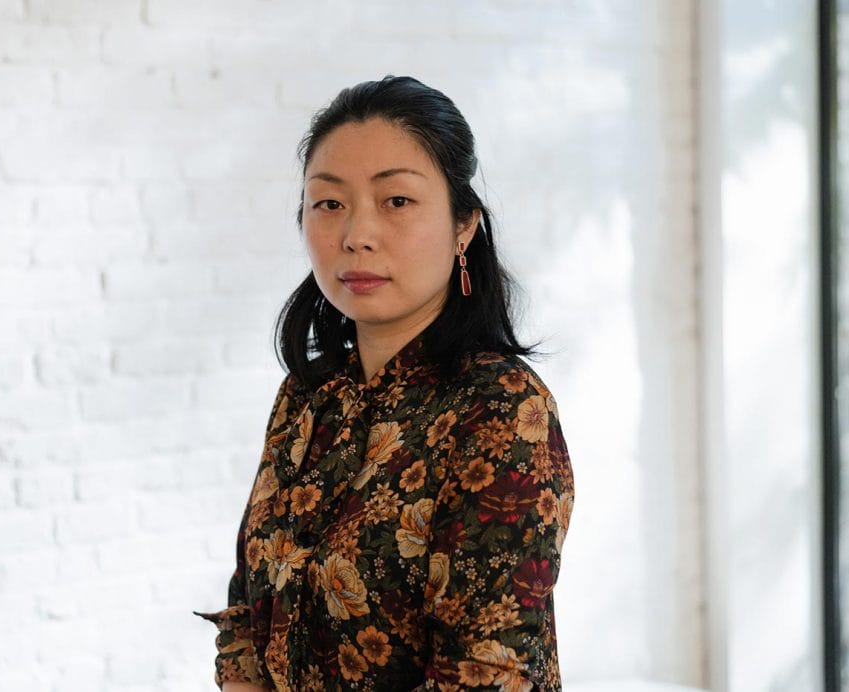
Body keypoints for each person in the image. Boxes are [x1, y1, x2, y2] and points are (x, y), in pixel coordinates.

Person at [194, 75, 574, 691]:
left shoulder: (502, 408)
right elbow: (247, 609)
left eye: (395, 201)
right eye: (329, 203)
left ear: (463, 226)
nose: (356, 235)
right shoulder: (308, 395)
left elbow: (484, 673)